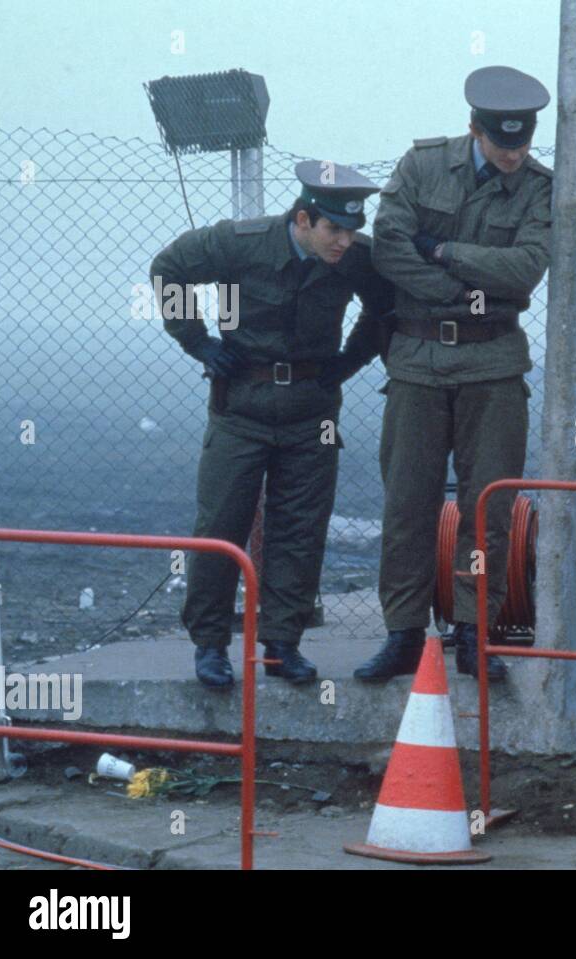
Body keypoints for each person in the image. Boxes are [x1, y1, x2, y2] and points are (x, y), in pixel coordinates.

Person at [151, 161, 394, 689]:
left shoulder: (356, 259)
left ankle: (283, 644)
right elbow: (168, 267)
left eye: (353, 230)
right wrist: (197, 342)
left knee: (300, 530)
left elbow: (384, 309)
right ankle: (210, 646)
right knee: (220, 525)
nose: (345, 242)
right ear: (303, 218)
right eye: (334, 229)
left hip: (313, 413)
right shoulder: (241, 243)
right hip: (241, 409)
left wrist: (347, 363)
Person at [359, 65, 552, 683]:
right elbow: (388, 247)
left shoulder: (540, 188)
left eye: (522, 144)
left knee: (487, 508)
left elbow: (523, 270)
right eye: (502, 145)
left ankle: (475, 632)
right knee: (407, 504)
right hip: (417, 362)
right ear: (474, 129)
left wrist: (441, 251)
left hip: (493, 364)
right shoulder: (421, 166)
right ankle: (403, 634)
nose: (514, 156)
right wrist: (464, 287)